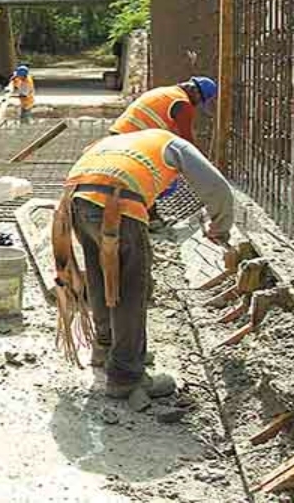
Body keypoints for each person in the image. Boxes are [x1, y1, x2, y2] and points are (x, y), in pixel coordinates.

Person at [52, 129, 234, 401]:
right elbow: (217, 187)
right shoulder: (174, 144)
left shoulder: (118, 141)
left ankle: (105, 348)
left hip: (75, 202)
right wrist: (220, 228)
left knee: (100, 277)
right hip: (116, 203)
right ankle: (126, 374)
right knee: (130, 289)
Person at [110, 77, 218, 143]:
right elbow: (186, 140)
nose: (197, 104)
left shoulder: (166, 91)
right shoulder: (183, 104)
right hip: (132, 140)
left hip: (118, 132)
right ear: (196, 92)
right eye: (200, 100)